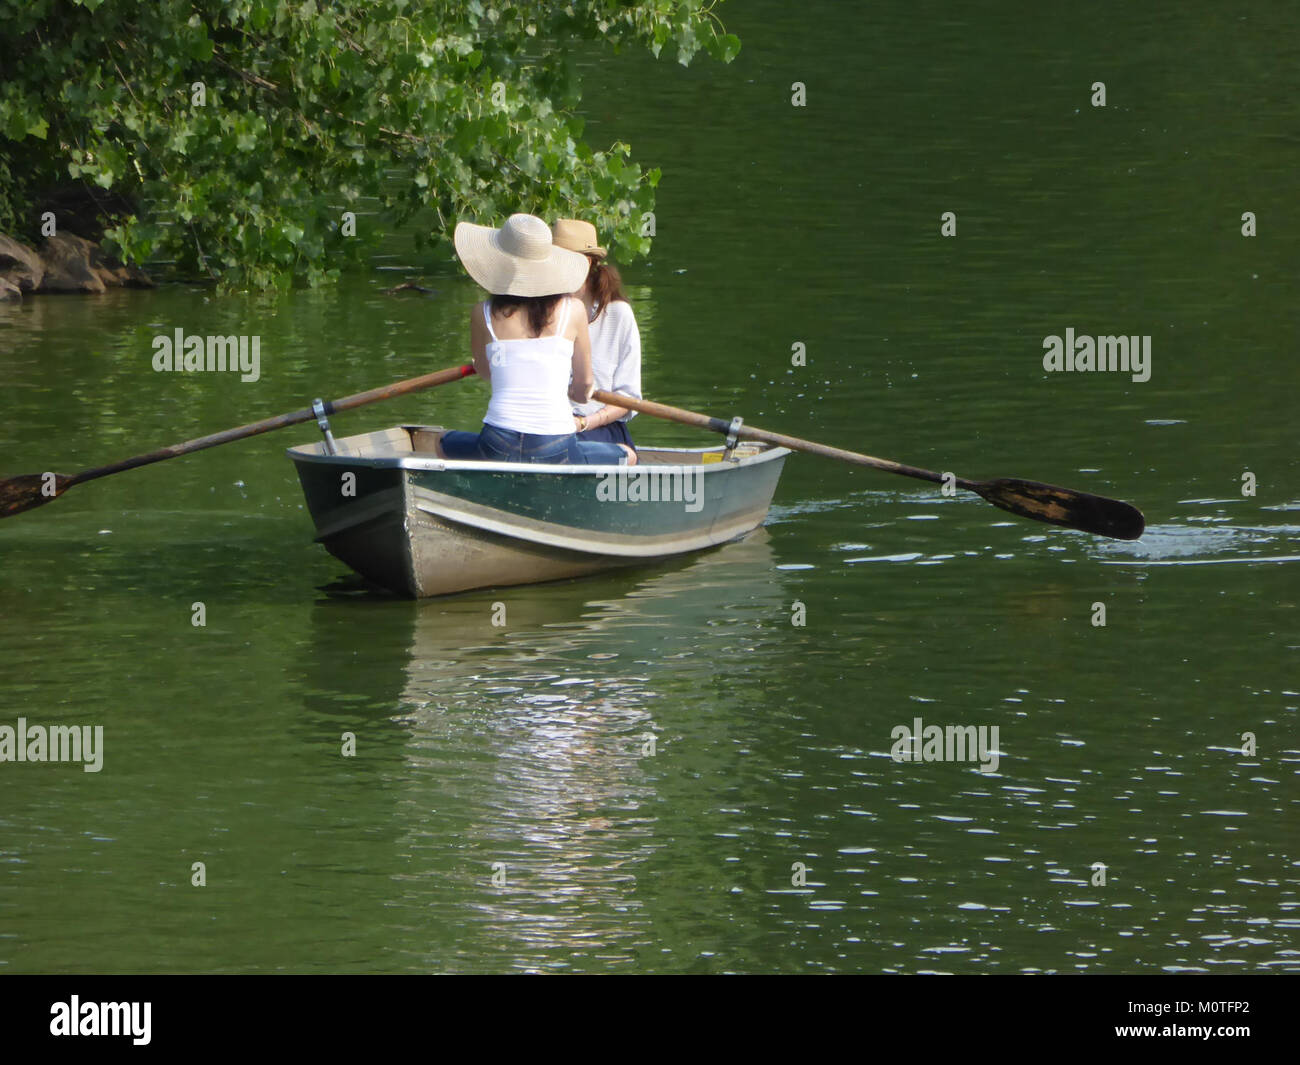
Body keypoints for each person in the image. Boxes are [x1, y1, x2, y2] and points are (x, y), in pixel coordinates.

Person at [439, 213, 636, 466]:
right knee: (627, 455)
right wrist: (575, 393)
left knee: (440, 442)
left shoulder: (481, 312)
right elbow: (584, 387)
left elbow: (485, 372)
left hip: (497, 441)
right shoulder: (573, 310)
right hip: (556, 443)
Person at [551, 219, 642, 450]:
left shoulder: (619, 315)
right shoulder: (541, 310)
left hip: (598, 427)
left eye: (566, 264)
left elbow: (627, 398)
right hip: (546, 427)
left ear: (588, 264)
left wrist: (583, 423)